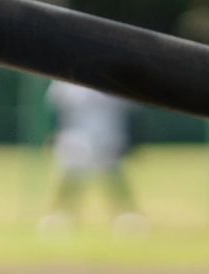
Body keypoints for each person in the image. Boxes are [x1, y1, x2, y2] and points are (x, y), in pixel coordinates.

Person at [40, 80, 147, 235]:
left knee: (114, 178)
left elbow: (132, 108)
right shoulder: (67, 79)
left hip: (109, 135)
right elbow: (55, 108)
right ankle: (60, 215)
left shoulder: (113, 77)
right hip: (77, 137)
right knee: (71, 178)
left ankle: (127, 216)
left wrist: (133, 139)